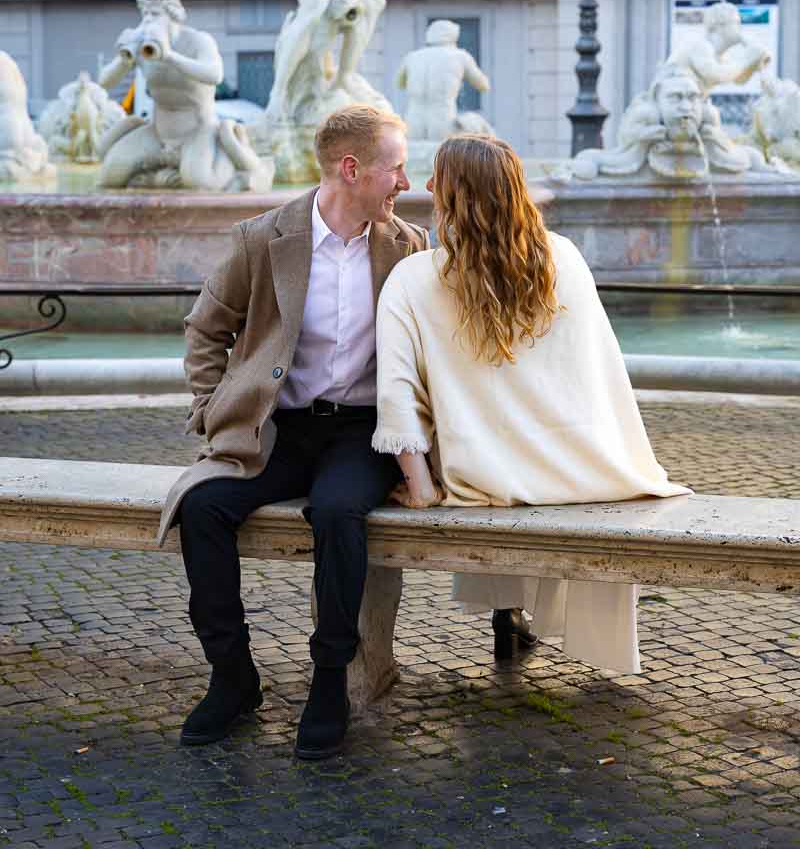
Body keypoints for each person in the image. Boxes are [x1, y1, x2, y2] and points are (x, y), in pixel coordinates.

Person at [156, 105, 429, 757]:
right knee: (202, 507)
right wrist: (209, 411)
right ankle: (232, 677)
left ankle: (330, 678)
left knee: (337, 511)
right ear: (351, 168)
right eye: (396, 169)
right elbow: (206, 329)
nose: (406, 182)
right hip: (275, 431)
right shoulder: (263, 238)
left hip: (361, 435)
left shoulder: (409, 247)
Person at [372, 134, 690, 675]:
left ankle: (508, 607)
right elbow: (597, 377)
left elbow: (396, 395)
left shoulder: (415, 276)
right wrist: (618, 456)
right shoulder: (561, 256)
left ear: (461, 197)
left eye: (438, 180)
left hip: (488, 481)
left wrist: (423, 490)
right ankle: (523, 617)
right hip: (589, 472)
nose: (425, 187)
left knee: (486, 447)